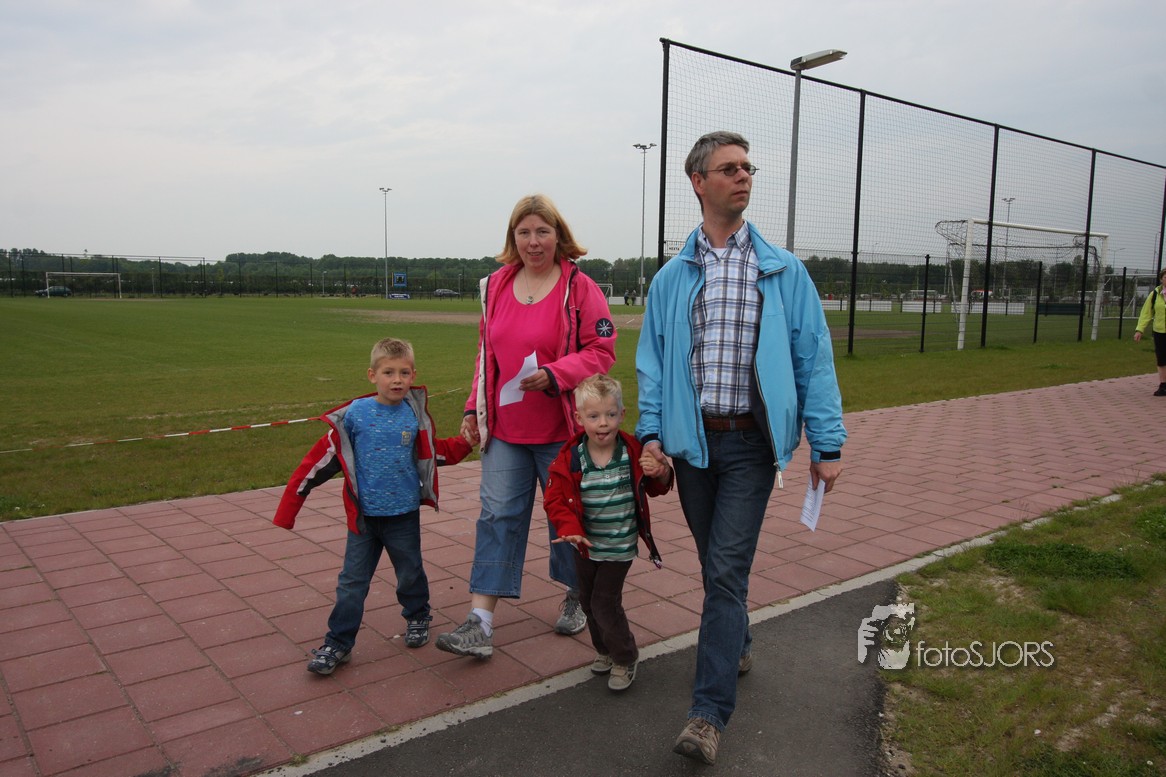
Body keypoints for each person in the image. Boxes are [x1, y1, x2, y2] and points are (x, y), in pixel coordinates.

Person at [636, 131, 847, 763]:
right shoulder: (672, 278)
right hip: (692, 446)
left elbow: (813, 358)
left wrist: (826, 443)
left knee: (725, 570)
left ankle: (707, 715)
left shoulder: (782, 271)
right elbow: (654, 364)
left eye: (747, 167)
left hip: (752, 446)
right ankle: (738, 640)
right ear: (698, 182)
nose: (743, 176)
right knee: (717, 568)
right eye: (729, 168)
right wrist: (652, 435)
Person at [436, 194, 618, 659]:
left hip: (561, 430)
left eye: (542, 231)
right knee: (496, 515)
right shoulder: (496, 285)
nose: (533, 242)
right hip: (505, 431)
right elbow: (486, 356)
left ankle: (577, 594)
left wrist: (556, 374)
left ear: (558, 235)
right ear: (512, 237)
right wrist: (473, 408)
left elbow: (602, 352)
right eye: (524, 232)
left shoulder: (580, 287)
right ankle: (480, 622)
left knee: (566, 518)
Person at [273, 337, 472, 675]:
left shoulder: (413, 415)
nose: (397, 380)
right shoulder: (355, 416)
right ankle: (338, 642)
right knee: (351, 583)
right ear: (372, 375)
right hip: (363, 520)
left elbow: (431, 453)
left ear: (413, 375)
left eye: (404, 373)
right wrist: (288, 509)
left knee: (409, 572)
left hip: (403, 516)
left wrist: (466, 443)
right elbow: (319, 462)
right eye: (388, 372)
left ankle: (418, 615)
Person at [544, 374, 672, 691]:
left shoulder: (632, 452)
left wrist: (661, 472)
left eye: (610, 414)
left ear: (622, 414)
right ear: (579, 418)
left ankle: (625, 656)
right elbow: (555, 499)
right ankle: (604, 650)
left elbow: (657, 486)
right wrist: (570, 529)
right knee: (588, 601)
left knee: (604, 602)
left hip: (619, 546)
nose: (603, 423)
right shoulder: (571, 457)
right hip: (585, 546)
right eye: (594, 416)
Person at [1133, 266, 1166, 396]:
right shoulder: (1155, 295)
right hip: (1159, 331)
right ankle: (1163, 385)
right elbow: (1146, 313)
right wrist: (1139, 330)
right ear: (1161, 279)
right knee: (1161, 358)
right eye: (1165, 277)